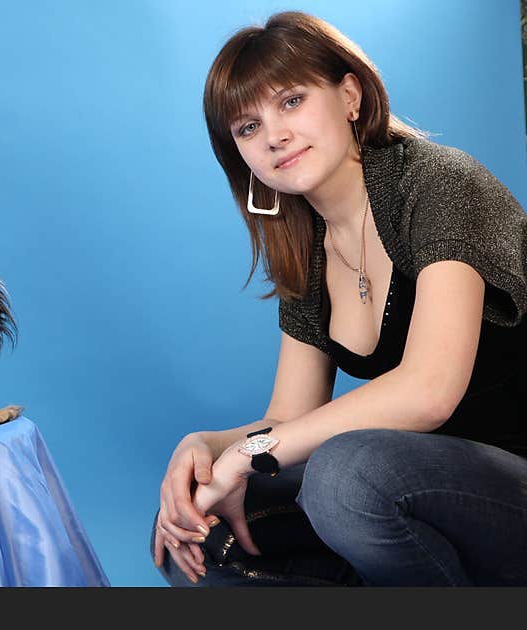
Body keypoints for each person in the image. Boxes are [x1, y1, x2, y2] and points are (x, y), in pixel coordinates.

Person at [150, 11, 527, 586]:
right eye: (247, 127)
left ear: (350, 95)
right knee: (195, 528)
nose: (273, 135)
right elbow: (287, 420)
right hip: (416, 493)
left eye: (291, 101)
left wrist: (247, 455)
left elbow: (430, 392)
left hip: (508, 485)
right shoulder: (309, 245)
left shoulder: (440, 185)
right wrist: (205, 447)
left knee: (344, 475)